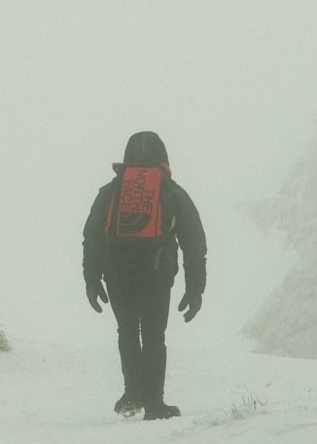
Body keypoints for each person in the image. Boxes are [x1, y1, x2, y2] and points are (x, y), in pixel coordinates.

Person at [82, 131, 207, 420]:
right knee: (153, 337)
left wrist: (92, 279)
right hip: (156, 275)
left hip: (116, 274)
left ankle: (132, 394)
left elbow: (92, 237)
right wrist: (195, 288)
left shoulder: (110, 192)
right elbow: (194, 242)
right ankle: (154, 404)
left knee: (126, 331)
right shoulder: (173, 193)